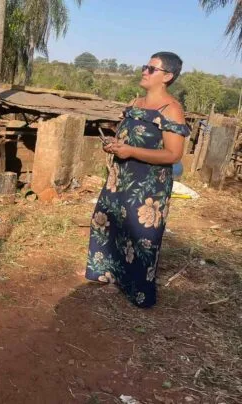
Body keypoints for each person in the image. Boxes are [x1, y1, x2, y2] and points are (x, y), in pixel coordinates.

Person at [85, 52, 190, 308]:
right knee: (109, 224)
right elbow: (127, 138)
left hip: (147, 187)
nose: (144, 71)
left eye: (151, 69)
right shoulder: (135, 103)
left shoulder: (172, 110)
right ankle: (108, 273)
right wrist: (115, 144)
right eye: (145, 66)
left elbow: (173, 154)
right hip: (119, 180)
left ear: (167, 76)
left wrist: (131, 152)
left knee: (142, 237)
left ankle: (138, 292)